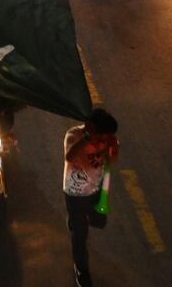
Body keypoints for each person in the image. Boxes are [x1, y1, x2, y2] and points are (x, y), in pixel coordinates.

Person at [63, 109, 119, 287]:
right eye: (102, 135)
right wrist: (87, 140)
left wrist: (111, 150)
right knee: (80, 235)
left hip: (96, 188)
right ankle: (81, 270)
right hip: (75, 193)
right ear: (91, 128)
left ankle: (76, 220)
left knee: (98, 222)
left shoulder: (108, 140)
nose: (105, 139)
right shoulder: (74, 135)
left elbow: (112, 160)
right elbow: (70, 156)